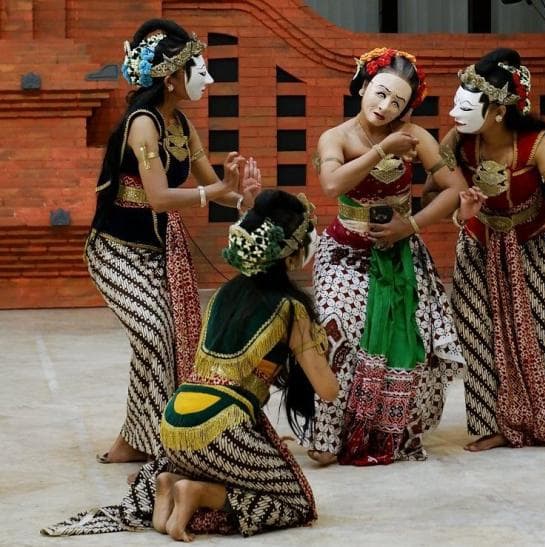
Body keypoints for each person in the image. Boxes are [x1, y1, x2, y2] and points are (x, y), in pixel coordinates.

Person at [43, 190, 339, 541]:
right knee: (296, 503)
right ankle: (199, 493)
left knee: (236, 464)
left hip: (174, 422)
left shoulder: (222, 296)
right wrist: (322, 345)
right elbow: (327, 390)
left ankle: (169, 483)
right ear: (291, 251)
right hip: (219, 427)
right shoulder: (291, 309)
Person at [86, 18, 260, 463]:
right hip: (115, 254)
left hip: (158, 252)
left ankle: (137, 438)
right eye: (198, 69)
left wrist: (244, 195)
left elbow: (215, 185)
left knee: (166, 339)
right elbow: (161, 198)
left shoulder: (180, 124)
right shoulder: (143, 124)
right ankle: (149, 442)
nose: (207, 78)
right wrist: (217, 191)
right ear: (170, 79)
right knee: (155, 333)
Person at [435, 48, 545, 451]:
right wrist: (460, 212)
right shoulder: (457, 142)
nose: (454, 112)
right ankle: (489, 425)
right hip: (478, 245)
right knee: (478, 336)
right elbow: (440, 193)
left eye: (465, 104)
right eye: (455, 101)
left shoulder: (536, 144)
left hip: (533, 246)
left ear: (497, 111)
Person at [305, 47, 467, 466]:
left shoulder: (417, 137)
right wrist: (382, 150)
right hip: (344, 253)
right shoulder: (336, 137)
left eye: (397, 102)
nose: (385, 106)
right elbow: (330, 183)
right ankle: (329, 435)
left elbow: (453, 187)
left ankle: (387, 433)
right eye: (379, 94)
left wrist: (409, 226)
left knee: (411, 339)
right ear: (361, 87)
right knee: (340, 336)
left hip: (399, 252)